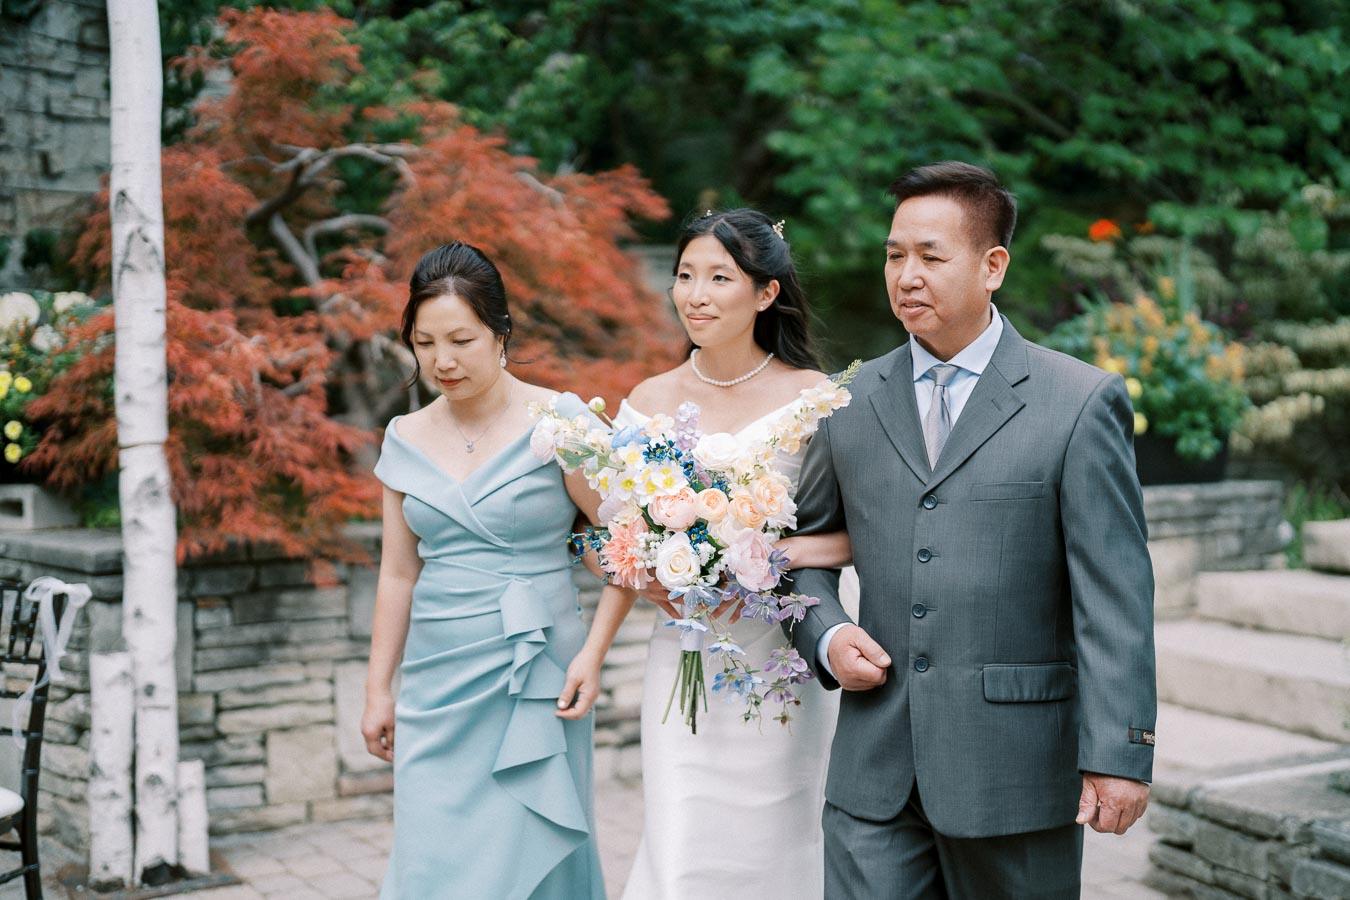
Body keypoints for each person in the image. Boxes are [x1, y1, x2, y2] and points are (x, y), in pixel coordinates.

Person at [790, 161, 1157, 900]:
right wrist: (826, 632)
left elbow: (1114, 592)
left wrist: (1120, 752)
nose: (906, 275)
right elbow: (801, 553)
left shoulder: (1079, 402)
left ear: (993, 266)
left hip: (1015, 772)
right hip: (875, 777)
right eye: (895, 255)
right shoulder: (846, 401)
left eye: (930, 255)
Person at [362, 241, 633, 900]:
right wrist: (378, 689)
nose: (442, 360)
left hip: (534, 669)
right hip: (436, 682)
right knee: (431, 860)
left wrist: (593, 656)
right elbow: (397, 574)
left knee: (529, 855)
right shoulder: (403, 437)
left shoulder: (561, 421)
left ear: (501, 333)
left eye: (461, 339)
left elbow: (622, 543)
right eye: (425, 342)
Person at [616, 209, 856, 899]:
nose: (696, 293)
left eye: (719, 277)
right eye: (685, 276)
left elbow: (868, 532)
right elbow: (613, 541)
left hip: (783, 662)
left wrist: (768, 557)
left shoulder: (814, 399)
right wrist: (644, 567)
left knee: (783, 838)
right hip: (685, 655)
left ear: (765, 293)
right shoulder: (646, 401)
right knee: (680, 837)